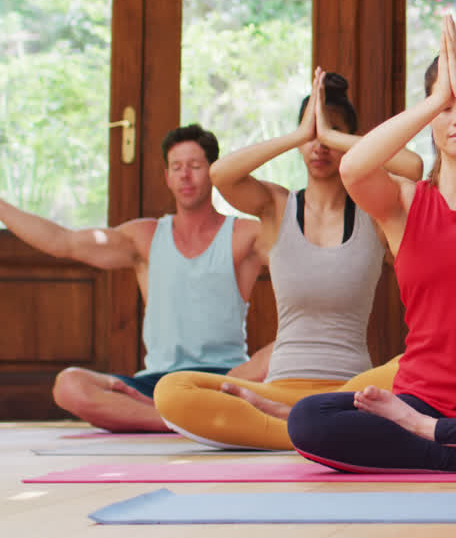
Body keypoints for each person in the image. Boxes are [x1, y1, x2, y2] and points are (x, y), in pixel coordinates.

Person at [286, 16, 456, 473]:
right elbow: (353, 169)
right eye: (445, 108)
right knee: (308, 419)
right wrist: (438, 98)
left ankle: (440, 444)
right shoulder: (403, 201)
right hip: (418, 401)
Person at [153, 71, 422, 450]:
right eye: (311, 136)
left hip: (350, 392)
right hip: (276, 391)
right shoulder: (277, 206)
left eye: (330, 135)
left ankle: (311, 424)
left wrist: (332, 136)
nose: (319, 146)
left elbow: (412, 166)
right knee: (173, 389)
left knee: (414, 365)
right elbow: (221, 174)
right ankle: (308, 432)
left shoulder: (374, 212)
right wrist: (300, 133)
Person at [0, 124, 266, 432]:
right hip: (157, 385)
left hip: (226, 379)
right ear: (167, 177)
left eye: (195, 166)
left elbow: (306, 252)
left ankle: (182, 416)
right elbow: (64, 242)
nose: (185, 175)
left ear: (214, 173)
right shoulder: (144, 237)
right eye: (176, 167)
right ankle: (179, 420)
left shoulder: (246, 235)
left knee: (285, 352)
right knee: (68, 385)